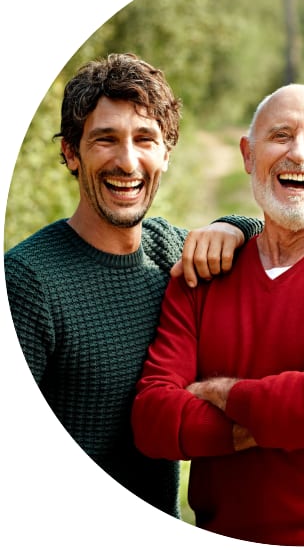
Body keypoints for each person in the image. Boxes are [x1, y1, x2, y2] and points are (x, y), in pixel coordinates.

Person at [131, 84, 304, 545]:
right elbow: (153, 420)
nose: (299, 153)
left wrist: (217, 391)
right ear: (247, 154)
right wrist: (290, 400)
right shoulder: (201, 274)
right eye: (280, 135)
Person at [3, 53, 262, 517]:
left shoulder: (174, 253)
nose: (128, 161)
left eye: (145, 139)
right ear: (70, 153)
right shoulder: (28, 281)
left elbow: (281, 250)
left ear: (165, 154)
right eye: (105, 140)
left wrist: (237, 226)